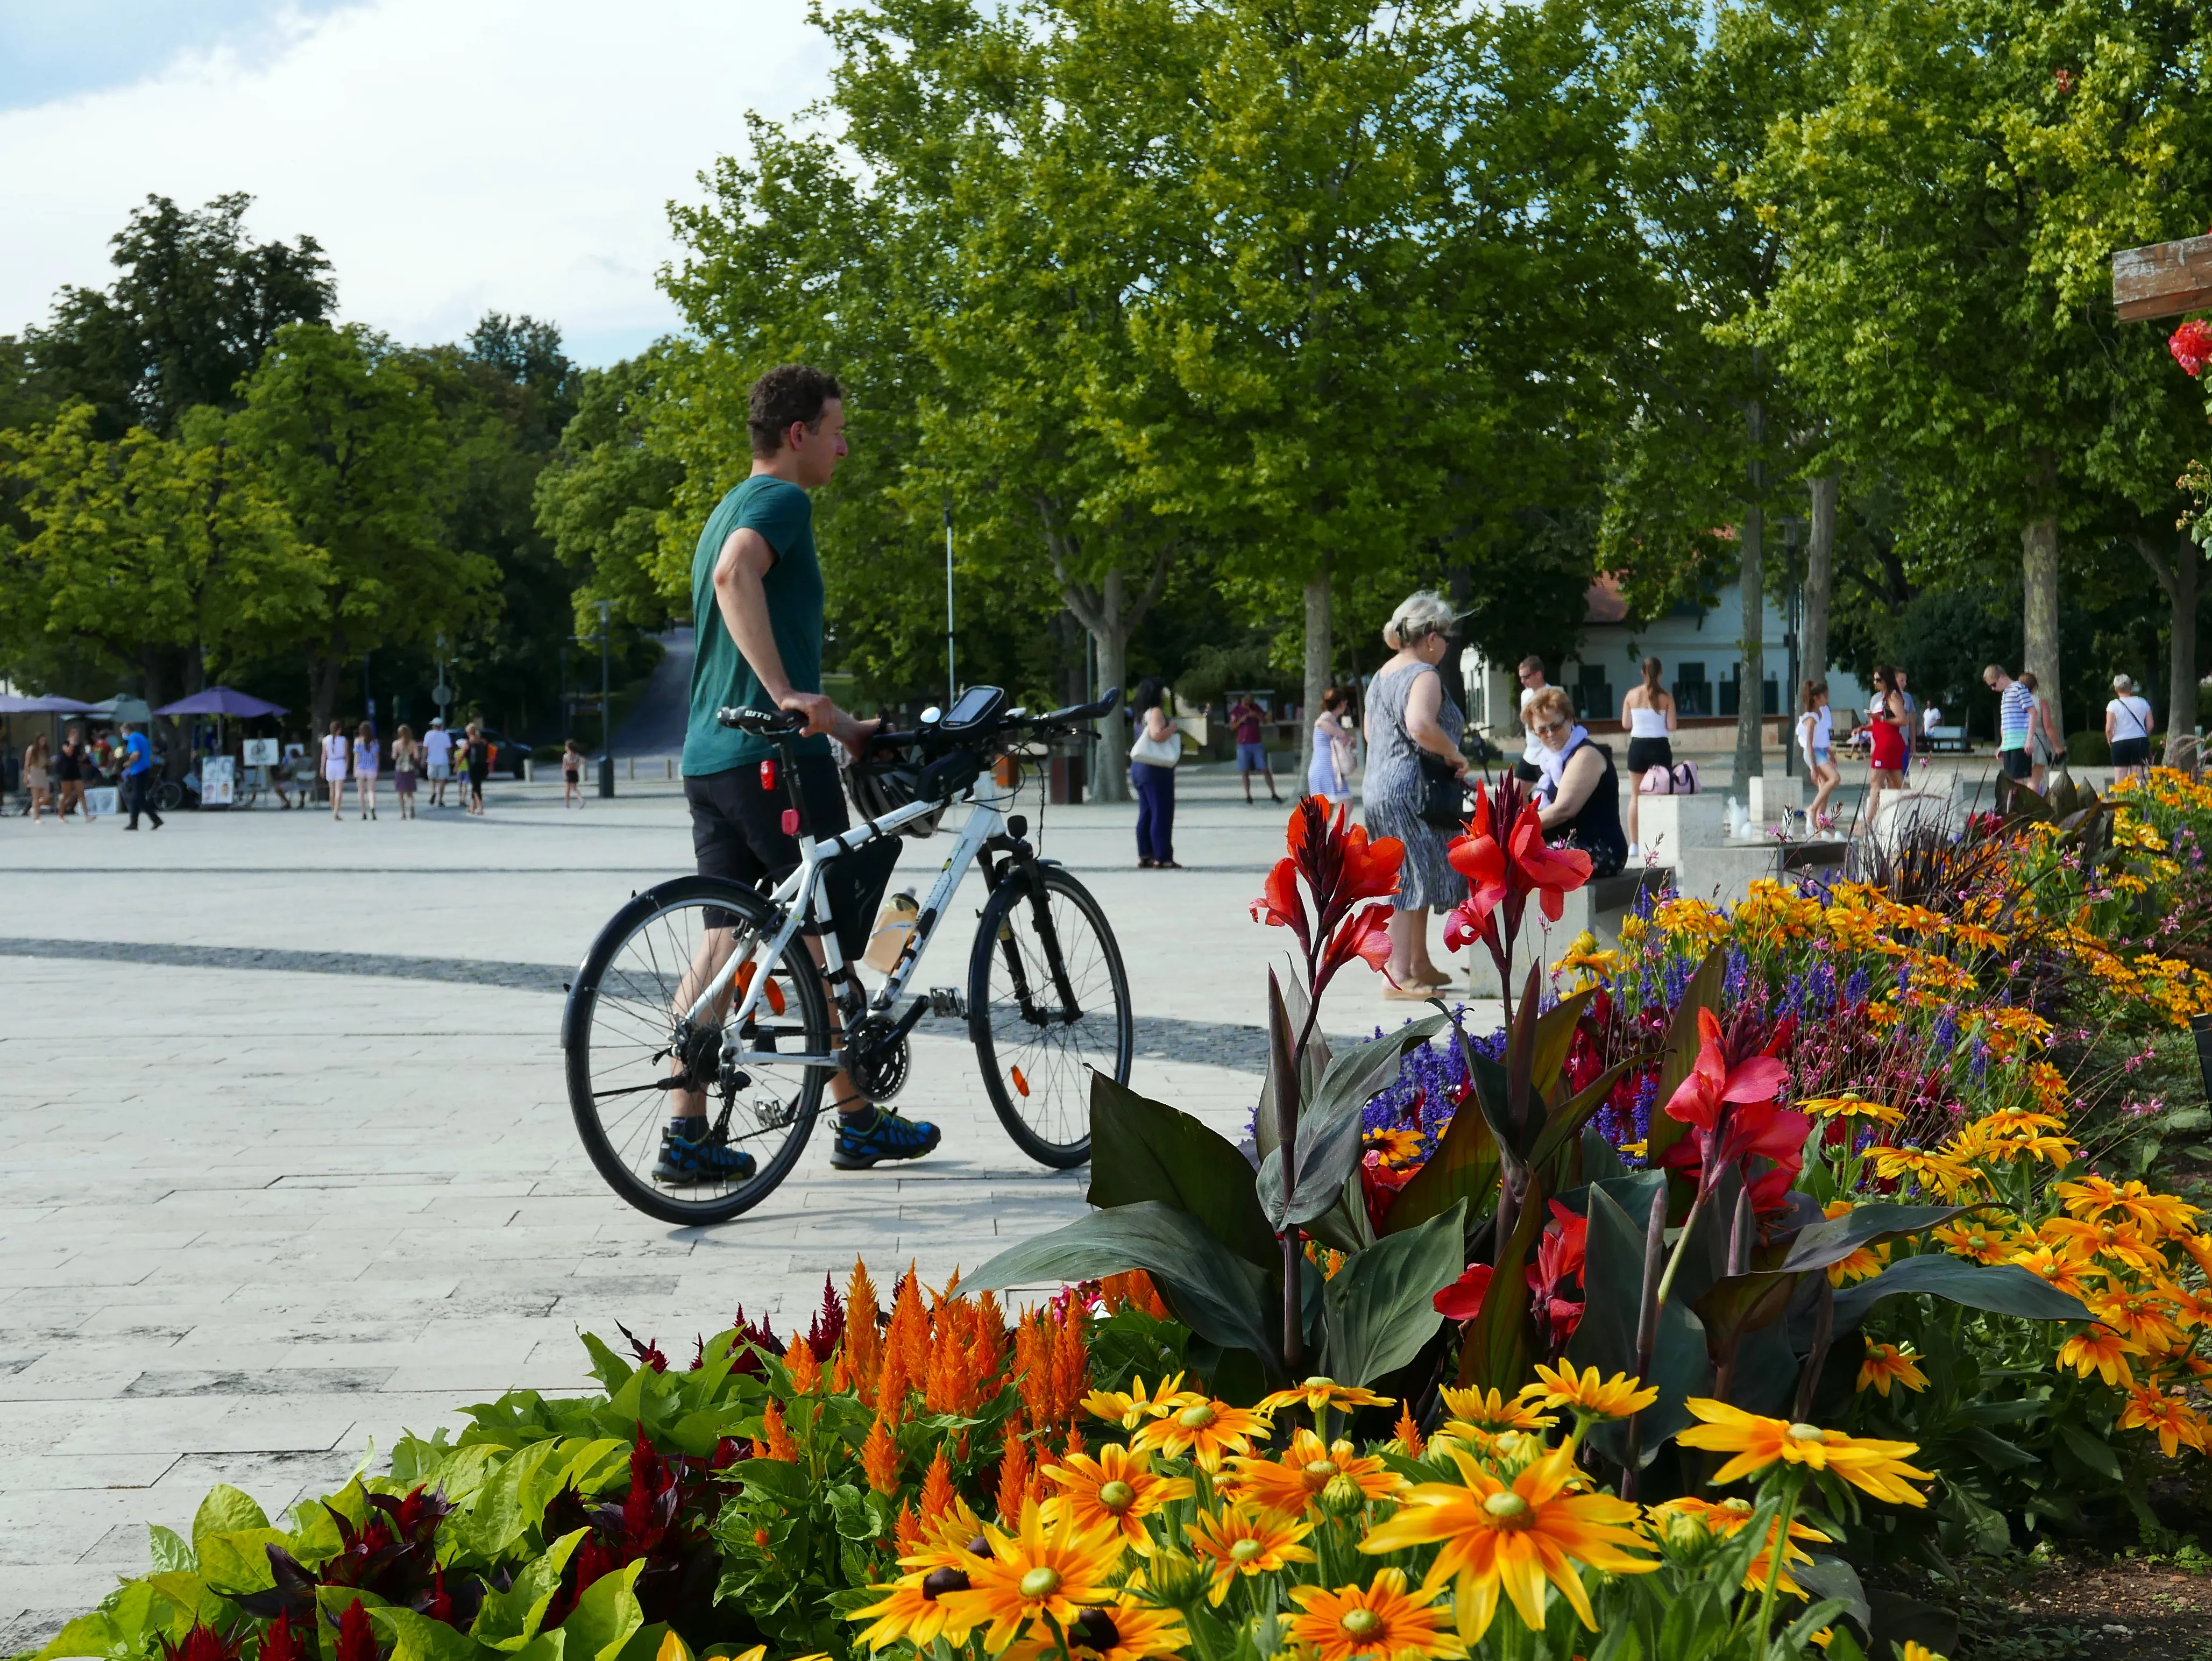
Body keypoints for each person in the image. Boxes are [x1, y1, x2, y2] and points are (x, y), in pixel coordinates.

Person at [673, 361, 938, 1180]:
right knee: (823, 940)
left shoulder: (723, 510)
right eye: (835, 429)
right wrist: (789, 694)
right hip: (773, 761)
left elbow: (731, 601)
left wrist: (850, 728)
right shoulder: (780, 502)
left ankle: (685, 1134)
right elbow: (735, 577)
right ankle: (856, 1119)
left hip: (712, 757)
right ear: (798, 436)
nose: (844, 446)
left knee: (723, 938)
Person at [1362, 591, 1468, 996]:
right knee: (1411, 879)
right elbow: (1421, 725)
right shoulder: (1423, 675)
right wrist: (1454, 753)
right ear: (1430, 637)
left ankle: (1418, 962)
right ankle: (1399, 973)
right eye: (1445, 637)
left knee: (1413, 875)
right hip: (1412, 788)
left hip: (1381, 785)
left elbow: (1373, 733)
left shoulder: (1384, 673)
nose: (1446, 646)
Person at [1526, 685, 1627, 878]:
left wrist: (1518, 829)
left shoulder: (1586, 754)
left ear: (1570, 719)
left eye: (1555, 726)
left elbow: (1564, 809)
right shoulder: (1551, 761)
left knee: (1525, 860)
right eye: (1542, 731)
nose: (1550, 734)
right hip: (1566, 843)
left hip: (1599, 848)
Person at [1618, 656, 1676, 856]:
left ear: (1642, 673)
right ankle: (1660, 841)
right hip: (1660, 747)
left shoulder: (1631, 695)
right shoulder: (1667, 697)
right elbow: (1672, 726)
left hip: (1638, 747)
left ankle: (1634, 844)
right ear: (1660, 673)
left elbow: (1626, 725)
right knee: (1662, 796)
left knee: (1636, 797)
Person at [1130, 677, 1182, 869]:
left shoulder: (1140, 714)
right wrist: (1173, 728)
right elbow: (1157, 735)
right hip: (1156, 770)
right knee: (1161, 812)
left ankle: (1146, 853)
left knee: (1147, 812)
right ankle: (1162, 856)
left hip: (1140, 768)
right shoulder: (1156, 712)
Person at [1863, 665, 1908, 834]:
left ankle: (1869, 821)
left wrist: (1880, 718)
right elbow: (1879, 723)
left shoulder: (1893, 696)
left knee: (1876, 782)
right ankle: (1913, 809)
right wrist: (1864, 728)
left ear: (1886, 679)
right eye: (1874, 680)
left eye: (1878, 680)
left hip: (1888, 744)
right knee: (1897, 782)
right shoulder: (1881, 698)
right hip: (1884, 741)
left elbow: (1902, 720)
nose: (1875, 683)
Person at [1796, 681, 1841, 832]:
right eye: (1824, 695)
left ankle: (1818, 826)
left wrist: (1830, 752)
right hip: (1814, 753)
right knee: (1834, 779)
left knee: (1824, 790)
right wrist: (1814, 767)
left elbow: (1822, 737)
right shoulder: (1811, 717)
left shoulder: (1823, 712)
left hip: (1821, 751)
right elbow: (1809, 743)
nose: (1827, 697)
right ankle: (1813, 809)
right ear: (1816, 698)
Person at [1984, 663, 2034, 785]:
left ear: (2002, 677)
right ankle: (2013, 804)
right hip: (2009, 744)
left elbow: (2033, 713)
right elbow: (2006, 723)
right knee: (2010, 780)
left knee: (2018, 780)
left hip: (2020, 743)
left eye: (1994, 684)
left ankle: (2022, 804)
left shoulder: (2019, 688)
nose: (1993, 689)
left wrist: (2029, 740)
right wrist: (2003, 744)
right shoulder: (2005, 694)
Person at [1227, 693, 1280, 805]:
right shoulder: (1236, 710)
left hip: (1256, 743)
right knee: (1245, 770)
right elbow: (1232, 728)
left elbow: (1265, 722)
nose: (1248, 703)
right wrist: (1241, 720)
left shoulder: (1255, 707)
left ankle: (1273, 793)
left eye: (1249, 701)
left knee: (1265, 769)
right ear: (1242, 700)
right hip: (1243, 744)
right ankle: (1248, 795)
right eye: (1246, 701)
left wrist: (1257, 715)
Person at [1308, 687, 1356, 808]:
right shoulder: (1328, 717)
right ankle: (1340, 828)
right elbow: (1319, 723)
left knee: (1326, 810)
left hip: (1322, 768)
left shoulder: (1331, 718)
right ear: (1341, 703)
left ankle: (1325, 828)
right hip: (1326, 768)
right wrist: (1340, 733)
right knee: (1346, 805)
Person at [2107, 674, 2156, 785]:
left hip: (2119, 743)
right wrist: (2144, 735)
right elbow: (2151, 725)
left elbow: (2109, 729)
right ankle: (2136, 801)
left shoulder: (2113, 705)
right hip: (2139, 741)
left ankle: (2121, 802)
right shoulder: (2143, 702)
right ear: (2130, 687)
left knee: (2120, 781)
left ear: (2115, 689)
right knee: (2138, 781)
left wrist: (2110, 740)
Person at [2019, 671, 2062, 791]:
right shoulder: (2041, 703)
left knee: (2018, 781)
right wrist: (2058, 747)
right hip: (2038, 744)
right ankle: (2032, 808)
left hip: (2018, 741)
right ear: (2036, 687)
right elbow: (2048, 727)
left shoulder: (2015, 702)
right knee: (2034, 781)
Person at [1515, 656, 1551, 784]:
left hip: (1548, 755)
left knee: (1547, 797)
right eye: (1521, 677)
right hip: (1530, 754)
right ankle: (1532, 806)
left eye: (1526, 677)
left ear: (1538, 675)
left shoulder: (1551, 695)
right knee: (1515, 794)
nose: (1522, 681)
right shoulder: (1525, 695)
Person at [122, 722, 162, 830]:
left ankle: (156, 819)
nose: (123, 734)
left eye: (123, 732)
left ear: (127, 730)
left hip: (138, 770)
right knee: (135, 798)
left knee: (139, 798)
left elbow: (136, 754)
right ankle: (134, 823)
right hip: (145, 768)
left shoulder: (133, 738)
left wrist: (128, 763)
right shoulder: (141, 737)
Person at [56, 726, 90, 821]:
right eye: (74, 733)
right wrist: (72, 743)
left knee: (81, 792)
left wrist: (85, 755)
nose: (77, 735)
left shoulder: (78, 745)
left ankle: (87, 815)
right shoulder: (65, 743)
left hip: (75, 770)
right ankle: (61, 815)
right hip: (66, 771)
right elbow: (69, 753)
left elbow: (78, 758)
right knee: (66, 794)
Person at [1894, 666, 1920, 779]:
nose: (1905, 684)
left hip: (1903, 743)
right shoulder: (1879, 698)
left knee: (1904, 776)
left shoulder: (1908, 698)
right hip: (1889, 743)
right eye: (1902, 680)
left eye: (1906, 681)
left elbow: (1912, 722)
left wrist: (1913, 743)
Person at [320, 721, 349, 821]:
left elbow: (324, 755)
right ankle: (336, 811)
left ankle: (334, 810)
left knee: (332, 790)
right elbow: (347, 755)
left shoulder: (325, 740)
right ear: (339, 730)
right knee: (339, 791)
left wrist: (322, 768)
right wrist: (347, 766)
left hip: (330, 763)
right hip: (340, 762)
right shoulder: (343, 740)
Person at [423, 717, 454, 807]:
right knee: (442, 781)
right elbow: (448, 749)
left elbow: (425, 748)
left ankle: (433, 792)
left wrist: (423, 759)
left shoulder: (429, 734)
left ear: (434, 726)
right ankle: (440, 800)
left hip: (432, 760)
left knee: (432, 779)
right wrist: (450, 758)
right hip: (443, 760)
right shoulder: (445, 735)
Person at [391, 725, 421, 819]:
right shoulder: (413, 743)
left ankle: (403, 814)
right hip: (409, 769)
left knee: (401, 793)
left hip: (400, 769)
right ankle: (412, 807)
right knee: (410, 793)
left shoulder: (396, 744)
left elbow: (394, 757)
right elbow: (416, 757)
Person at [352, 721, 380, 820]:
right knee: (371, 791)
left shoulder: (358, 742)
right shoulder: (375, 742)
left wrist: (354, 770)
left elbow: (357, 757)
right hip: (372, 768)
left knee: (361, 792)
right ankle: (372, 807)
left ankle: (364, 813)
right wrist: (377, 769)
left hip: (360, 768)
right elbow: (377, 757)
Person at [23, 734, 52, 821]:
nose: (43, 742)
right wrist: (26, 776)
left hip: (42, 772)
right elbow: (27, 764)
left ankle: (34, 808)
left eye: (45, 741)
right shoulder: (32, 749)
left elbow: (47, 762)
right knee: (36, 796)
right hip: (34, 772)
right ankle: (37, 817)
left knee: (47, 797)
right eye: (42, 740)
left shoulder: (44, 750)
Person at [462, 720, 488, 815]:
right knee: (477, 786)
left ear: (469, 732)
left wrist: (456, 766)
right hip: (483, 765)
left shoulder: (469, 743)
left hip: (473, 766)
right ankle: (472, 807)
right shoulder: (483, 742)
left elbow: (462, 756)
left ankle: (480, 808)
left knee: (476, 788)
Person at [563, 738, 585, 807]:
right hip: (575, 772)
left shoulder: (566, 756)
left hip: (569, 773)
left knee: (568, 789)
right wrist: (578, 765)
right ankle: (581, 799)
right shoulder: (577, 756)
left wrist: (564, 774)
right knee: (574, 788)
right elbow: (584, 761)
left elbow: (564, 766)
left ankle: (567, 804)